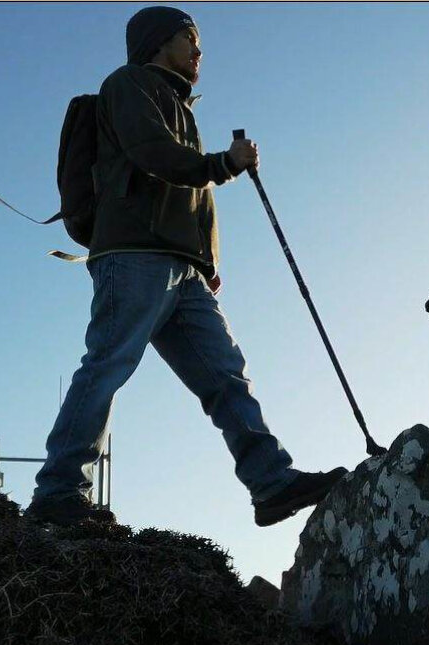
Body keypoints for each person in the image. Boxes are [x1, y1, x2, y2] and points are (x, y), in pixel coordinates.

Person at [27, 6, 346, 528]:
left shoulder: (178, 103)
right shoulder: (128, 85)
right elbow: (154, 155)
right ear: (157, 42)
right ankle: (58, 492)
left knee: (226, 376)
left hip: (184, 268)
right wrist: (223, 164)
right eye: (188, 39)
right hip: (132, 254)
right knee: (108, 364)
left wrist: (205, 260)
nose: (199, 51)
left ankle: (271, 483)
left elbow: (186, 195)